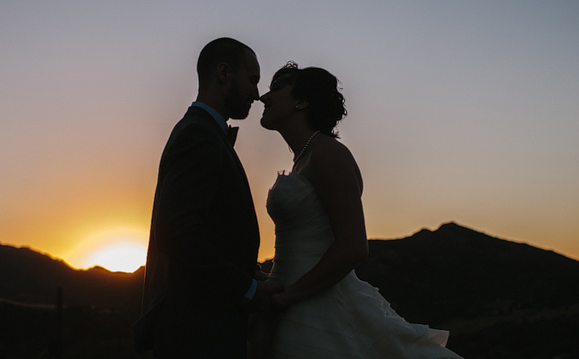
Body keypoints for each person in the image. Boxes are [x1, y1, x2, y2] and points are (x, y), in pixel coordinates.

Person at [251, 62, 462, 359]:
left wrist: (288, 297)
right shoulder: (305, 158)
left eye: (276, 88)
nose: (264, 97)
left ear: (301, 101)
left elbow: (352, 246)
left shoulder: (328, 154)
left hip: (314, 305)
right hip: (289, 300)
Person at [134, 38, 282, 359]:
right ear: (224, 73)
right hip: (198, 334)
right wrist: (248, 290)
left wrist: (249, 272)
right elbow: (177, 232)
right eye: (253, 79)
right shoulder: (198, 134)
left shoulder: (206, 133)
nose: (256, 94)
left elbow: (213, 231)